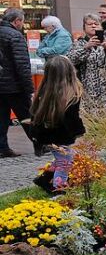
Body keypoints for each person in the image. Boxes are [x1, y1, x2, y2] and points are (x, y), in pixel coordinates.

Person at [29, 55, 85, 191]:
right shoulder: (71, 95)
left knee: (61, 157)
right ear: (70, 72)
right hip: (60, 136)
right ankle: (58, 188)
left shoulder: (45, 92)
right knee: (65, 161)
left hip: (46, 135)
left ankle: (44, 179)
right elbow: (72, 120)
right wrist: (79, 131)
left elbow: (35, 115)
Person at [68, 13, 106, 115]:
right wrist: (86, 47)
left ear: (101, 27)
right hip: (90, 92)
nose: (93, 26)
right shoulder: (78, 44)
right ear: (84, 28)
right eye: (89, 24)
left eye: (96, 24)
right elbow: (70, 60)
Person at [0, 7, 35, 157]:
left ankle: (2, 147)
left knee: (1, 118)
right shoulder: (15, 36)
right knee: (27, 115)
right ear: (17, 21)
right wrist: (29, 88)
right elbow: (22, 65)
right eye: (22, 21)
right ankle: (40, 143)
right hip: (14, 86)